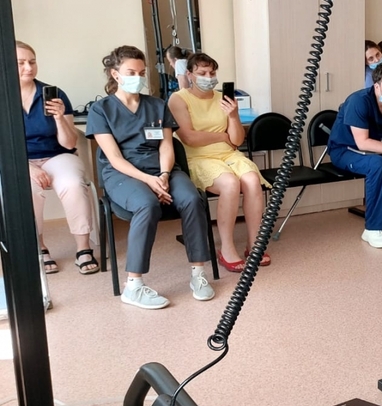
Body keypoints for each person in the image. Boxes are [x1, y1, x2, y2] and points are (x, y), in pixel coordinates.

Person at [86, 45, 215, 308]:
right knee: (147, 204)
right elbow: (115, 158)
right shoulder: (101, 110)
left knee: (192, 199)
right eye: (131, 72)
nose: (138, 77)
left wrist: (164, 174)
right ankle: (133, 286)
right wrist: (148, 181)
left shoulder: (157, 105)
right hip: (122, 174)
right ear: (116, 74)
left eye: (142, 72)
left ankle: (198, 274)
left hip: (162, 170)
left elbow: (167, 146)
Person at [168, 52, 270, 273]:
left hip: (228, 154)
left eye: (212, 73)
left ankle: (254, 244)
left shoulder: (223, 98)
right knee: (230, 184)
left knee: (252, 181)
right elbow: (189, 138)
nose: (208, 77)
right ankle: (227, 249)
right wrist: (223, 136)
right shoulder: (178, 99)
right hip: (198, 157)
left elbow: (237, 140)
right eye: (202, 73)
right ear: (189, 74)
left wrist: (233, 116)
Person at [16, 41, 98, 275]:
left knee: (73, 183)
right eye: (21, 63)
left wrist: (60, 118)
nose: (28, 67)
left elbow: (69, 143)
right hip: (20, 160)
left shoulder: (54, 94)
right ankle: (40, 247)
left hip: (57, 154)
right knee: (28, 189)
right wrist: (27, 167)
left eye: (32, 62)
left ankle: (83, 248)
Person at [329, 61, 382, 249]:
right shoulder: (358, 101)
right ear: (377, 87)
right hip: (344, 150)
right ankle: (372, 229)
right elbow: (362, 143)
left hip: (372, 149)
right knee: (377, 164)